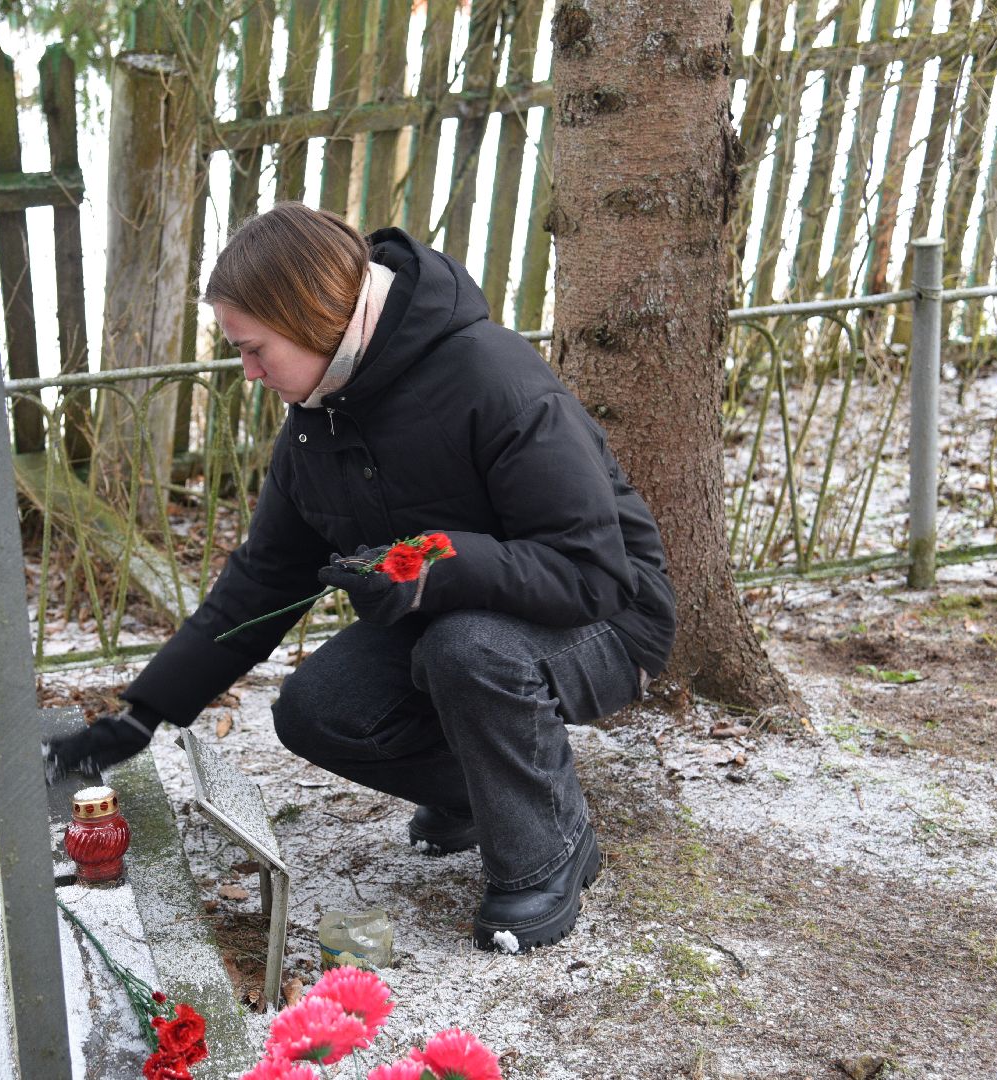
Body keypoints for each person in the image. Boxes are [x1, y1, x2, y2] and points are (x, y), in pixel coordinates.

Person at [46, 202, 676, 953]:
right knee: (318, 706)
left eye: (255, 350)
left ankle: (550, 848)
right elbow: (261, 583)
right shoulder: (319, 418)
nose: (247, 373)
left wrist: (424, 563)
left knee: (468, 650)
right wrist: (142, 713)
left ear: (315, 319)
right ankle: (489, 797)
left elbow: (589, 573)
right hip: (456, 618)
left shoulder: (493, 378)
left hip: (607, 621)